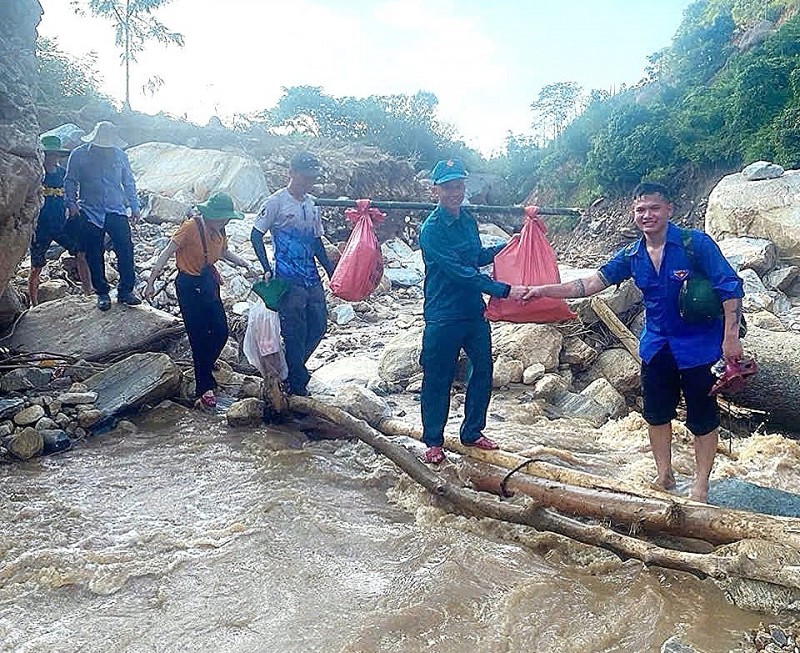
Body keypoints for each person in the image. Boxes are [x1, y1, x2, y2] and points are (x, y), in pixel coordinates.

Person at [524, 182, 744, 502]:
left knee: (702, 416)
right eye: (641, 209)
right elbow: (590, 284)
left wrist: (731, 339)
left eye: (654, 208)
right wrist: (545, 290)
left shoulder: (695, 244)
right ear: (633, 214)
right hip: (656, 347)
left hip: (699, 348)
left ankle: (700, 486)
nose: (647, 215)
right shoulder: (632, 255)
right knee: (655, 414)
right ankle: (664, 475)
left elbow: (730, 287)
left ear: (669, 210)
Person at [419, 159, 530, 464]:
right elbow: (458, 272)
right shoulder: (431, 230)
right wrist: (504, 290)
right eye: (448, 187)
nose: (455, 192)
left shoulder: (467, 221)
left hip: (473, 311)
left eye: (458, 186)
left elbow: (475, 258)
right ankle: (433, 441)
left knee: (482, 370)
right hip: (443, 314)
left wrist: (506, 248)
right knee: (437, 377)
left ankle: (472, 432)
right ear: (435, 191)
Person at [144, 192, 254, 409]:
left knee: (221, 331)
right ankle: (204, 388)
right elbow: (167, 252)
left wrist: (245, 264)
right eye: (223, 218)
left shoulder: (219, 230)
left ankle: (203, 369)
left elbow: (224, 252)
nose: (225, 222)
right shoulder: (190, 227)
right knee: (199, 337)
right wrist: (151, 281)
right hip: (188, 285)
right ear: (211, 215)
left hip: (208, 282)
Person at [249, 152, 335, 396]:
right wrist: (266, 267)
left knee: (319, 326)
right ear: (292, 173)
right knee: (294, 332)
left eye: (312, 178)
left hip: (311, 276)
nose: (308, 182)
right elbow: (256, 235)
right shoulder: (276, 202)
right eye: (305, 177)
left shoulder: (311, 204)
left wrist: (330, 270)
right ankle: (296, 384)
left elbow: (317, 241)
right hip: (287, 278)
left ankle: (292, 369)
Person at [64, 121, 141, 311]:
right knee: (94, 252)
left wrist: (134, 205)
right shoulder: (79, 155)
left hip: (116, 209)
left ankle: (125, 291)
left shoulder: (120, 155)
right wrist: (71, 204)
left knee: (125, 249)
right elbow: (70, 181)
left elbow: (128, 182)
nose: (104, 150)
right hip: (90, 211)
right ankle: (102, 293)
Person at [28, 135, 91, 305]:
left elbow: (71, 194)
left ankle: (88, 293)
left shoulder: (63, 174)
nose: (52, 157)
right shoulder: (36, 174)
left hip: (60, 225)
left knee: (80, 253)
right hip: (40, 227)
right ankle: (33, 304)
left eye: (55, 154)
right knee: (37, 265)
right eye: (49, 154)